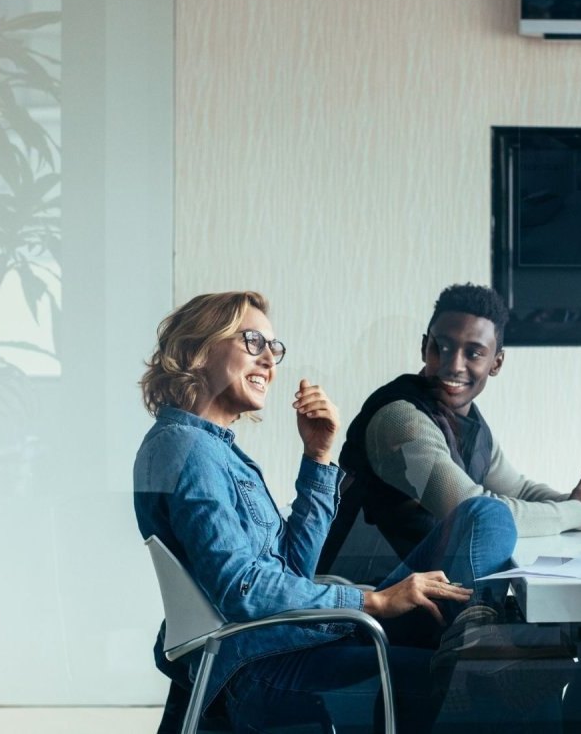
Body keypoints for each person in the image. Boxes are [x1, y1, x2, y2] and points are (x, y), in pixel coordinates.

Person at [134, 291, 516, 733]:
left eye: (273, 349)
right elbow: (241, 588)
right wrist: (372, 600)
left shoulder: (215, 451)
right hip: (263, 663)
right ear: (198, 348)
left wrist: (317, 455)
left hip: (294, 638)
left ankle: (473, 640)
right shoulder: (187, 448)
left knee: (485, 516)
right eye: (253, 342)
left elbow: (295, 569)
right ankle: (478, 647)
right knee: (478, 682)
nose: (269, 363)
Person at [320, 283, 581, 733]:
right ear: (424, 346)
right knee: (483, 519)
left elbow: (516, 486)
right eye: (441, 348)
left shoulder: (468, 421)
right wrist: (577, 514)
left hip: (435, 597)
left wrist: (580, 502)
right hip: (374, 599)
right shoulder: (399, 420)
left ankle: (482, 644)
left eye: (473, 352)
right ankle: (480, 643)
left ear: (496, 362)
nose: (453, 365)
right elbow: (472, 505)